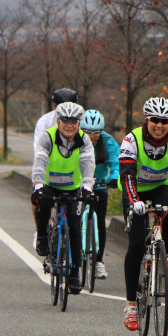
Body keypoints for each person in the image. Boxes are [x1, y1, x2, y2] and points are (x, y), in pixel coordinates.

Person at [119, 97, 168, 331]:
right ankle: (130, 305)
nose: (159, 125)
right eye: (155, 120)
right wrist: (133, 201)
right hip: (134, 189)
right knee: (137, 243)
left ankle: (167, 254)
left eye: (165, 121)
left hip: (161, 187)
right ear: (147, 120)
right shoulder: (131, 139)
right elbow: (127, 173)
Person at [31, 101, 95, 295]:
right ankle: (43, 235)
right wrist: (38, 185)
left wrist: (87, 187)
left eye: (74, 121)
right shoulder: (47, 137)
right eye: (65, 120)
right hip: (50, 185)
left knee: (75, 227)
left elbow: (87, 164)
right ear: (57, 121)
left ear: (79, 123)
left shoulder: (84, 140)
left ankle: (74, 274)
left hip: (74, 187)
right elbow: (40, 161)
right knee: (42, 204)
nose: (69, 125)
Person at [31, 88, 78, 249]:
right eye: (60, 106)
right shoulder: (44, 122)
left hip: (71, 170)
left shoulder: (80, 121)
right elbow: (38, 150)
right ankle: (40, 229)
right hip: (50, 167)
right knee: (39, 197)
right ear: (53, 106)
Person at [80, 109, 120, 279]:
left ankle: (98, 261)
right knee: (75, 218)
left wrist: (114, 178)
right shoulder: (76, 140)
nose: (92, 136)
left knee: (100, 222)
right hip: (80, 183)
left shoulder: (108, 141)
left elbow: (116, 162)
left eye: (96, 132)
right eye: (88, 132)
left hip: (100, 184)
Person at [33, 88, 78, 154]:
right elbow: (38, 148)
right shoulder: (44, 122)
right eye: (62, 107)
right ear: (54, 106)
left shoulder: (82, 121)